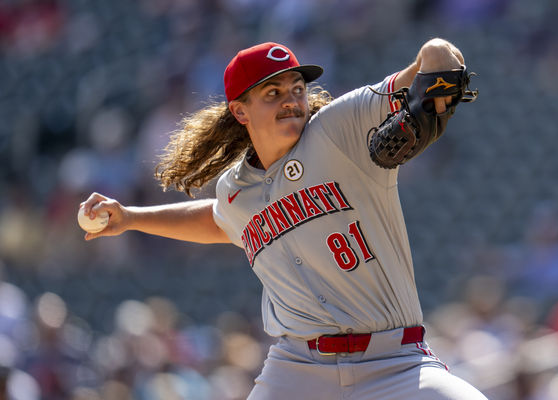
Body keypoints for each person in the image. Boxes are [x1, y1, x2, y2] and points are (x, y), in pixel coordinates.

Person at [80, 40, 488, 399]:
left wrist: (434, 84)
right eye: (272, 92)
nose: (291, 99)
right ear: (240, 110)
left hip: (395, 363)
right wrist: (130, 217)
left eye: (297, 88)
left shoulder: (339, 128)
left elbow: (438, 55)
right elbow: (220, 221)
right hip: (298, 370)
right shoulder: (236, 190)